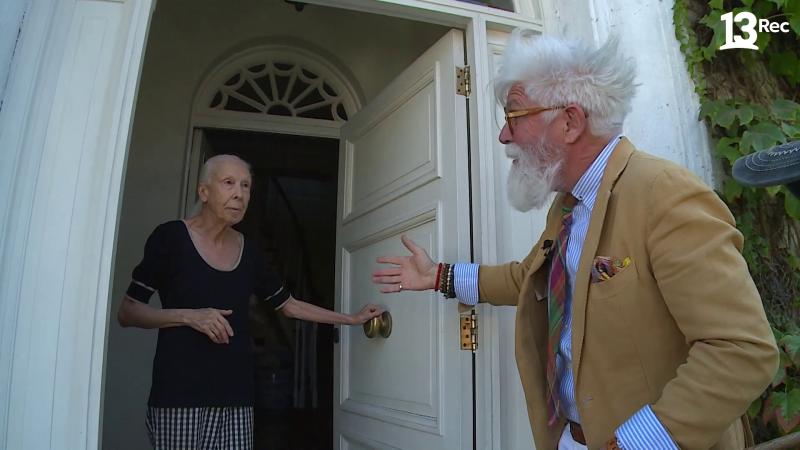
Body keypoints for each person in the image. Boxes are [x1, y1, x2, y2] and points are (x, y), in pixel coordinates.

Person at [373, 30, 778, 450]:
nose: (503, 137)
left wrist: (633, 444)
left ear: (569, 122)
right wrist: (439, 276)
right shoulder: (569, 205)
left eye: (514, 116)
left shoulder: (664, 193)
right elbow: (528, 281)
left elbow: (741, 349)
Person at [118, 154, 383, 450]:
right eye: (229, 183)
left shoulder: (250, 252)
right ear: (203, 192)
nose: (239, 194)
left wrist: (351, 318)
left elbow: (290, 305)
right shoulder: (170, 238)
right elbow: (128, 312)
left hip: (237, 396)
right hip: (180, 395)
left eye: (246, 186)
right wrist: (189, 316)